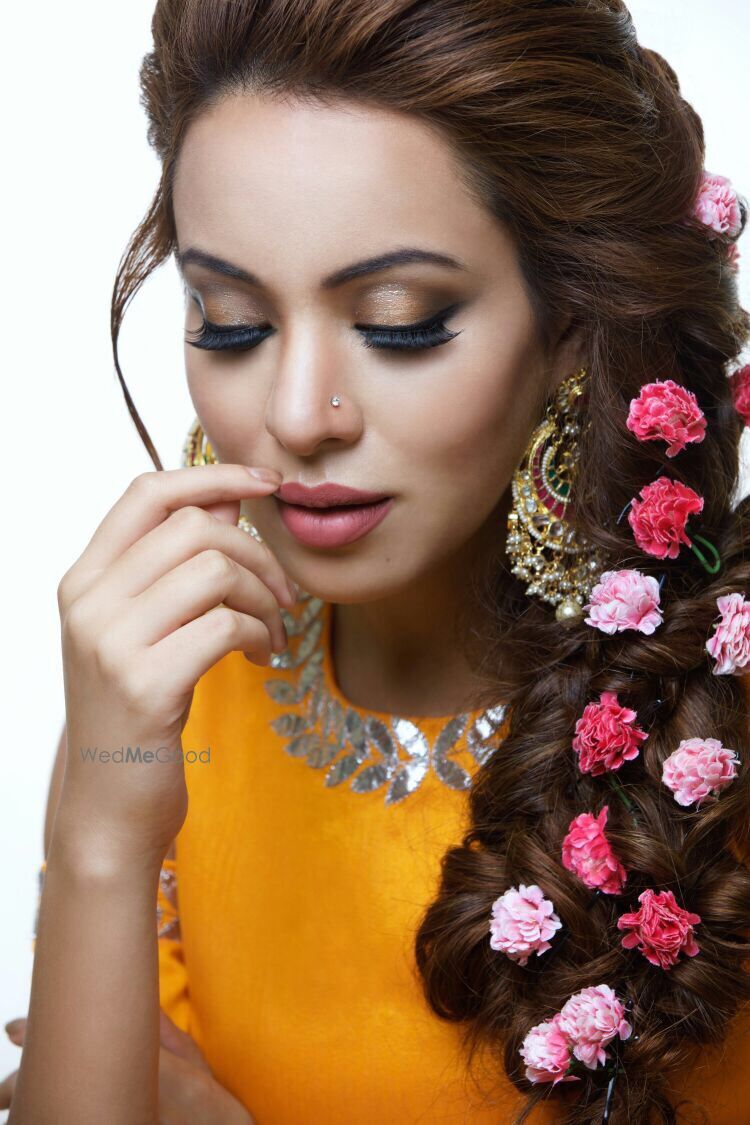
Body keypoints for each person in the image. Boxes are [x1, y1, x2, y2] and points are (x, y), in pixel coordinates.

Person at [5, 0, 750, 1121]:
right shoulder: (166, 683)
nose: (298, 415)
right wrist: (101, 838)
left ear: (566, 331)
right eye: (230, 321)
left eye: (399, 322)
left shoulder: (715, 732)